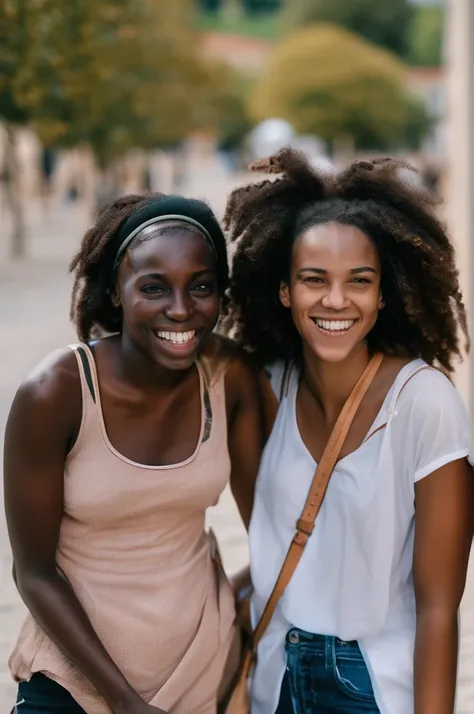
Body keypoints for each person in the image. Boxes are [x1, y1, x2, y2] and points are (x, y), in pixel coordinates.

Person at [222, 149, 474, 714]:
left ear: (382, 295)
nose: (336, 301)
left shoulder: (423, 403)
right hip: (275, 682)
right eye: (314, 279)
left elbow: (439, 608)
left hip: (375, 686)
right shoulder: (268, 389)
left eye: (358, 281)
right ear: (284, 290)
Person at [4, 193, 264, 714]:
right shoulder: (56, 392)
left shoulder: (229, 377)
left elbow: (273, 526)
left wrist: (235, 595)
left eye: (202, 287)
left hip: (200, 679)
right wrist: (124, 701)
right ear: (116, 293)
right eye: (153, 287)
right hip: (73, 689)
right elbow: (32, 572)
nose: (181, 309)